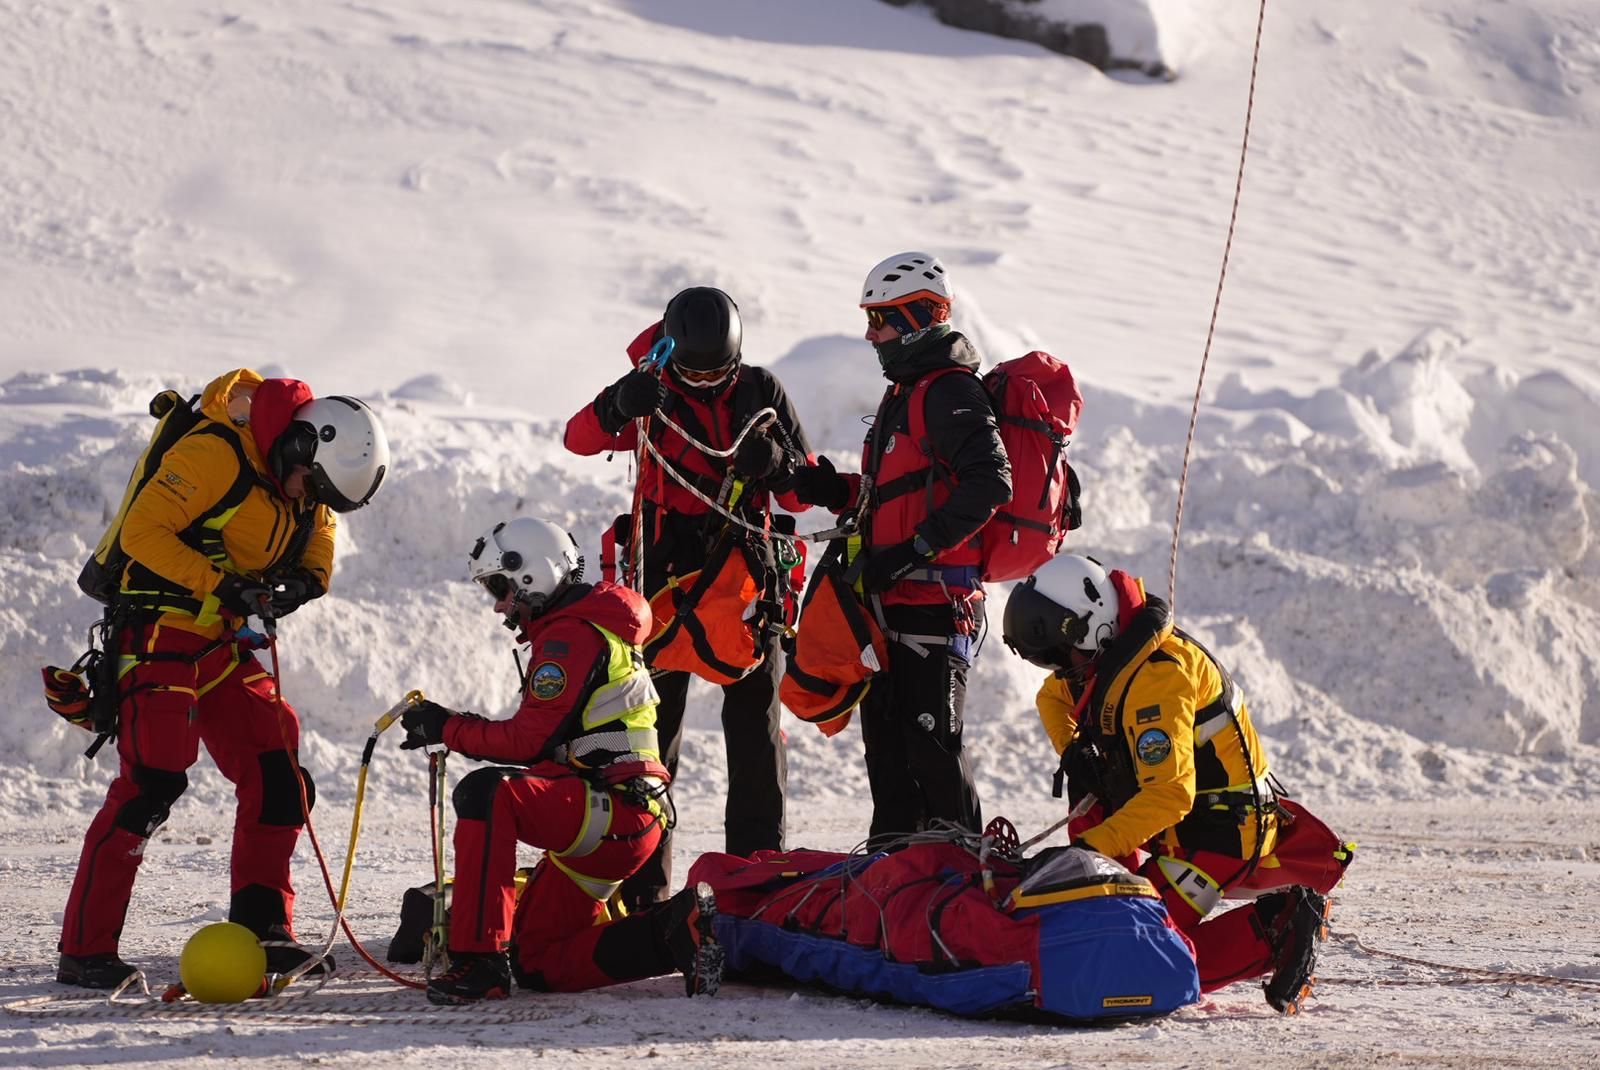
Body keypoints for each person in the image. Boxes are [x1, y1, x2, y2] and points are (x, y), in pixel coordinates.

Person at [57, 371, 390, 989]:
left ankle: (265, 929)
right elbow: (142, 532)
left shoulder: (305, 479)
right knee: (152, 782)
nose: (308, 498)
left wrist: (307, 580)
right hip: (158, 630)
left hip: (219, 640)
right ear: (297, 446)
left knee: (279, 771)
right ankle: (85, 951)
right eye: (309, 485)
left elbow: (319, 532)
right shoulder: (216, 453)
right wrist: (223, 584)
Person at [400, 517, 722, 1005]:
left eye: (501, 588)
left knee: (488, 793)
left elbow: (527, 741)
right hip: (618, 818)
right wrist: (451, 726)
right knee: (537, 960)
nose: (499, 604)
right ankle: (675, 932)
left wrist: (446, 728)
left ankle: (479, 960)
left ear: (532, 574)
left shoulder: (570, 635)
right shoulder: (585, 627)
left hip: (613, 812)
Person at [563, 286, 815, 909]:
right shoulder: (649, 390)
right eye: (692, 372)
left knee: (756, 736)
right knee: (649, 738)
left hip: (746, 585)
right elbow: (577, 439)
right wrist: (618, 403)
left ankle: (753, 886)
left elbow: (801, 493)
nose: (704, 383)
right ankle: (644, 894)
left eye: (716, 372)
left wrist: (777, 462)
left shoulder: (762, 392)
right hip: (664, 585)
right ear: (670, 353)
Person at [1002, 553, 1338, 1013]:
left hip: (1217, 833)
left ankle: (1278, 926)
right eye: (1048, 660)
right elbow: (1051, 698)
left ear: (1093, 627)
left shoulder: (1157, 679)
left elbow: (1170, 794)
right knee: (1090, 815)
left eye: (1060, 656)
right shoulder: (1099, 661)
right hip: (1175, 822)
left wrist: (1086, 852)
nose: (1060, 669)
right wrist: (1073, 749)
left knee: (1131, 964)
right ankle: (1109, 900)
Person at [786, 252, 1011, 847]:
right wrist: (832, 489)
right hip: (890, 608)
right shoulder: (906, 393)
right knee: (889, 764)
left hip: (936, 609)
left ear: (918, 317)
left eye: (879, 320)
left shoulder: (951, 391)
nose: (870, 335)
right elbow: (895, 494)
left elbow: (991, 483)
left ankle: (965, 880)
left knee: (934, 756)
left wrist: (912, 551)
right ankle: (892, 879)